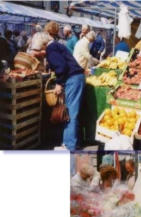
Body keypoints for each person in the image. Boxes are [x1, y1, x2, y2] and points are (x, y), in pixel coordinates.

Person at [44, 21, 85, 151]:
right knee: (73, 111)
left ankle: (68, 146)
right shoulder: (57, 45)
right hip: (77, 77)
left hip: (72, 79)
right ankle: (74, 142)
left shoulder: (51, 48)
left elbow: (61, 67)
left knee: (70, 113)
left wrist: (59, 83)